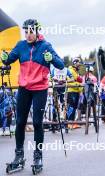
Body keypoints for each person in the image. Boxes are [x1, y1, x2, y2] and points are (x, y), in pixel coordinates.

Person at [1, 19, 64, 172]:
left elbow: (60, 64)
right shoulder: (21, 45)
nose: (28, 35)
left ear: (37, 31)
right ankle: (19, 155)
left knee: (37, 123)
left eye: (31, 32)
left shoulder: (45, 46)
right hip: (24, 89)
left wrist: (52, 59)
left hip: (40, 89)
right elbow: (9, 59)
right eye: (26, 32)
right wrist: (5, 58)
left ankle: (38, 155)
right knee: (21, 122)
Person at [66, 57, 83, 129]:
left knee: (74, 107)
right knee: (71, 107)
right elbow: (73, 81)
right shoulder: (70, 70)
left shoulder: (76, 71)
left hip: (76, 91)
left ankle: (72, 123)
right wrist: (78, 84)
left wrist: (80, 88)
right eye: (78, 63)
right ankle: (69, 123)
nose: (79, 65)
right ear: (75, 63)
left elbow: (79, 80)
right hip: (71, 91)